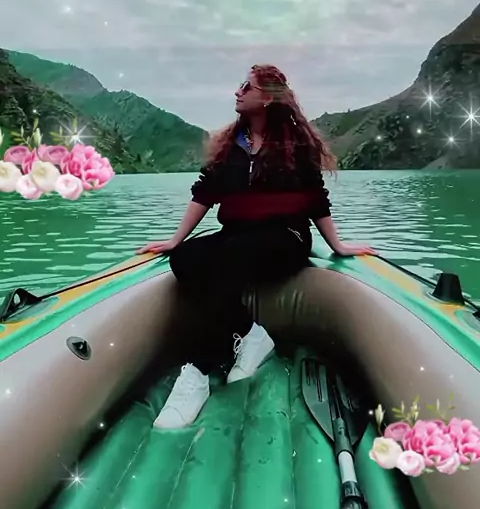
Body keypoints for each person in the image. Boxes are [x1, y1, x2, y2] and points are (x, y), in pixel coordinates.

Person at [137, 64, 377, 430]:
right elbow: (205, 193)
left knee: (227, 257)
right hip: (237, 236)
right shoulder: (232, 145)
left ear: (267, 98)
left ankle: (198, 373)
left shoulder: (294, 145)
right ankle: (251, 334)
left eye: (246, 87)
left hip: (286, 237)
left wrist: (338, 245)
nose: (238, 92)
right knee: (186, 259)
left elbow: (316, 199)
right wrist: (175, 241)